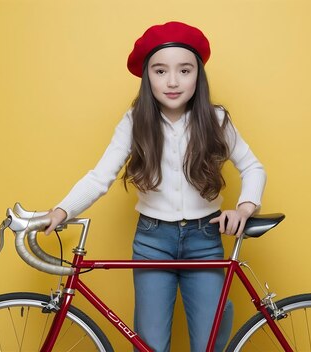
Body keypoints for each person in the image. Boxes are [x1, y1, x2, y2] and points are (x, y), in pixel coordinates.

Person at [43, 21, 266, 352]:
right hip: (152, 242)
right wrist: (62, 209)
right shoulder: (134, 121)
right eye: (160, 71)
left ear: (198, 76)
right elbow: (99, 176)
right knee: (148, 344)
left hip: (205, 239)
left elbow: (252, 167)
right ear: (147, 77)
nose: (173, 81)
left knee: (210, 343)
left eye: (184, 70)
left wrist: (245, 207)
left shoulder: (216, 119)